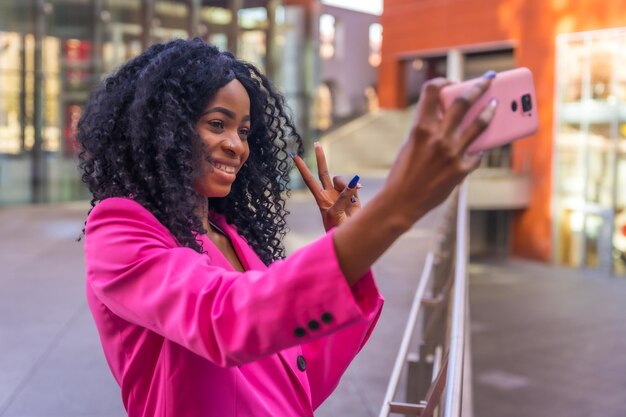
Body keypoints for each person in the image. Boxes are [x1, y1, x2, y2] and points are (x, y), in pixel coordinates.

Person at [77, 38, 496, 417]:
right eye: (217, 124)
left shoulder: (231, 238)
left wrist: (344, 238)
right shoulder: (119, 227)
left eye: (244, 131)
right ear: (163, 129)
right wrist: (394, 208)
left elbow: (299, 377)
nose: (236, 145)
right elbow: (223, 319)